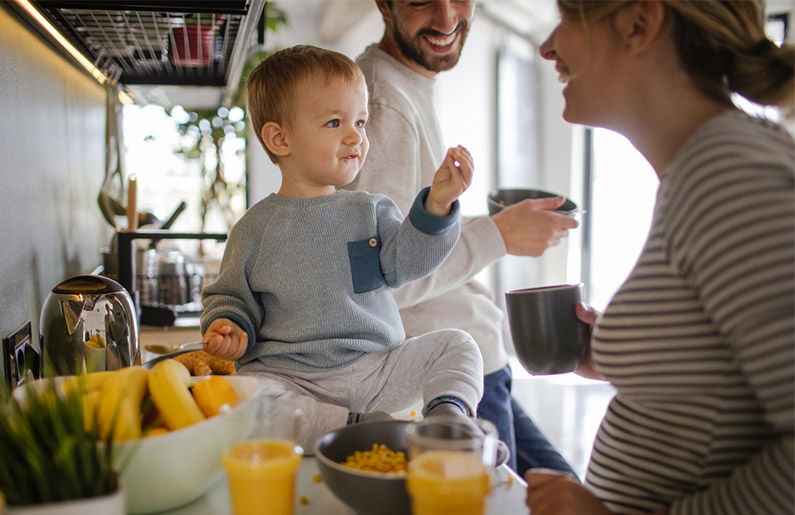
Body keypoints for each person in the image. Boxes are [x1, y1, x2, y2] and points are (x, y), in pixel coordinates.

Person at [526, 1, 794, 513]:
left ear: (639, 24)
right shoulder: (706, 168)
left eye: (569, 18)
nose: (549, 47)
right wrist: (629, 351)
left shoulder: (728, 173)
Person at [200, 44, 485, 451]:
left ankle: (446, 420)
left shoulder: (370, 209)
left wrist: (436, 207)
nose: (356, 136)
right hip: (291, 377)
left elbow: (408, 263)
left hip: (378, 369)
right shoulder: (254, 229)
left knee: (458, 344)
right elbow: (230, 297)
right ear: (280, 138)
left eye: (362, 122)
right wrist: (229, 325)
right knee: (247, 395)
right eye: (335, 122)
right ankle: (356, 429)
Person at [345, 0, 578, 476]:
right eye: (421, 1)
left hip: (475, 359)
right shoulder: (384, 102)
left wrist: (484, 224)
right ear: (382, 4)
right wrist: (496, 235)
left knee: (562, 489)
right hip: (448, 374)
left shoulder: (405, 84)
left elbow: (408, 233)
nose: (448, 18)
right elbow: (383, 280)